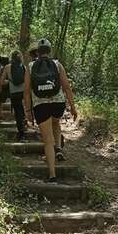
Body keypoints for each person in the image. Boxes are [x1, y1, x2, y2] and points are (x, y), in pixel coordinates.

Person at [24, 39, 77, 183]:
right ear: (50, 51)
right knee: (56, 123)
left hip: (40, 105)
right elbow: (67, 87)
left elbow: (27, 91)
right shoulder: (57, 64)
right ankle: (58, 148)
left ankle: (52, 174)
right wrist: (72, 107)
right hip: (58, 103)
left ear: (37, 52)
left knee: (47, 141)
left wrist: (28, 111)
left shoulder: (30, 66)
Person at [0, 51, 27, 140]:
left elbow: (1, 81)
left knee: (17, 111)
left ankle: (21, 132)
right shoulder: (24, 67)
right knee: (21, 109)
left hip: (14, 93)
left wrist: (7, 83)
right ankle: (24, 123)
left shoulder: (7, 67)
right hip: (23, 92)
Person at [0, 56, 10, 121]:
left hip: (3, 88)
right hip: (11, 87)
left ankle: (0, 115)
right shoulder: (10, 67)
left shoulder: (2, 69)